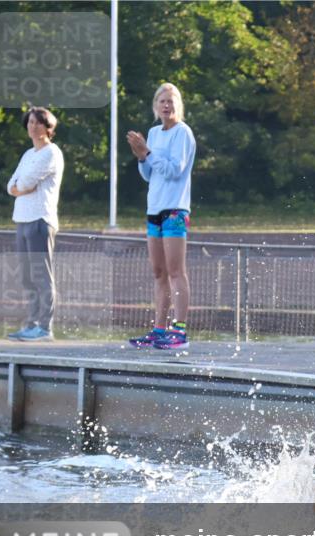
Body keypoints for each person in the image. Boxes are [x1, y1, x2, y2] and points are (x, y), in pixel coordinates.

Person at [126, 82, 196, 350]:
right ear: (156, 106)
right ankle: (159, 328)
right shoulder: (154, 133)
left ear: (179, 105)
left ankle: (179, 330)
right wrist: (141, 157)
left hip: (175, 209)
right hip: (154, 208)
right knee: (158, 272)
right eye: (162, 101)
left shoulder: (183, 133)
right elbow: (149, 174)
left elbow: (174, 170)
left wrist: (148, 153)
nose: (167, 105)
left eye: (171, 101)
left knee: (176, 270)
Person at [6, 106, 65, 342]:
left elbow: (28, 181)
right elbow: (12, 184)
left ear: (48, 128)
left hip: (41, 220)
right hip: (22, 219)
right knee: (26, 276)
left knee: (42, 275)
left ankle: (44, 327)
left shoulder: (51, 153)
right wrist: (19, 188)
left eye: (38, 122)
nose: (33, 126)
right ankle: (30, 324)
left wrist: (21, 187)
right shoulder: (28, 154)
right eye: (30, 122)